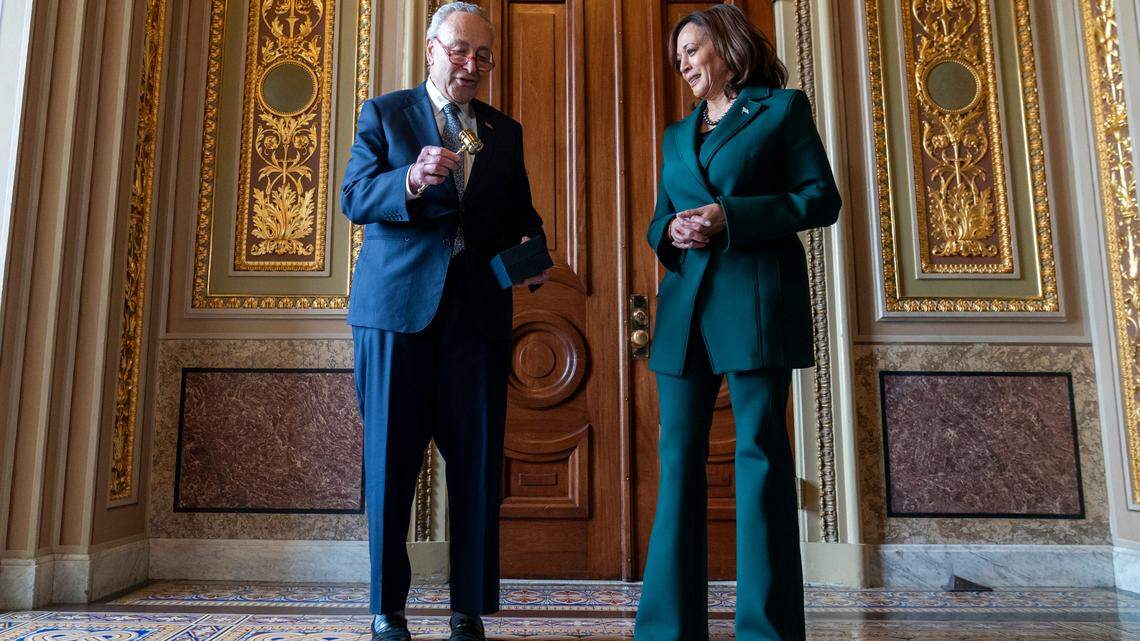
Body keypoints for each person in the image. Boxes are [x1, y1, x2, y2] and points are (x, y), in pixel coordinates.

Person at [340, 3, 548, 640]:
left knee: (477, 465)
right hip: (395, 315)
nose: (472, 65)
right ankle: (387, 609)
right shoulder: (384, 113)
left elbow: (522, 219)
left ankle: (467, 610)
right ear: (432, 49)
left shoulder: (503, 131)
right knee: (390, 463)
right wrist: (408, 178)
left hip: (476, 318)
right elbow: (353, 197)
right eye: (461, 50)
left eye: (483, 56)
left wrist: (533, 257)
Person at [634, 5, 841, 641]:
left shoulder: (781, 110)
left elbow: (820, 200)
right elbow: (658, 220)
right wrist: (668, 230)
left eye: (692, 50)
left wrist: (730, 215)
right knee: (677, 462)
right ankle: (667, 628)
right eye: (678, 59)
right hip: (684, 309)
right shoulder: (676, 135)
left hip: (754, 302)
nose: (685, 65)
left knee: (760, 458)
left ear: (728, 46)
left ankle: (768, 630)